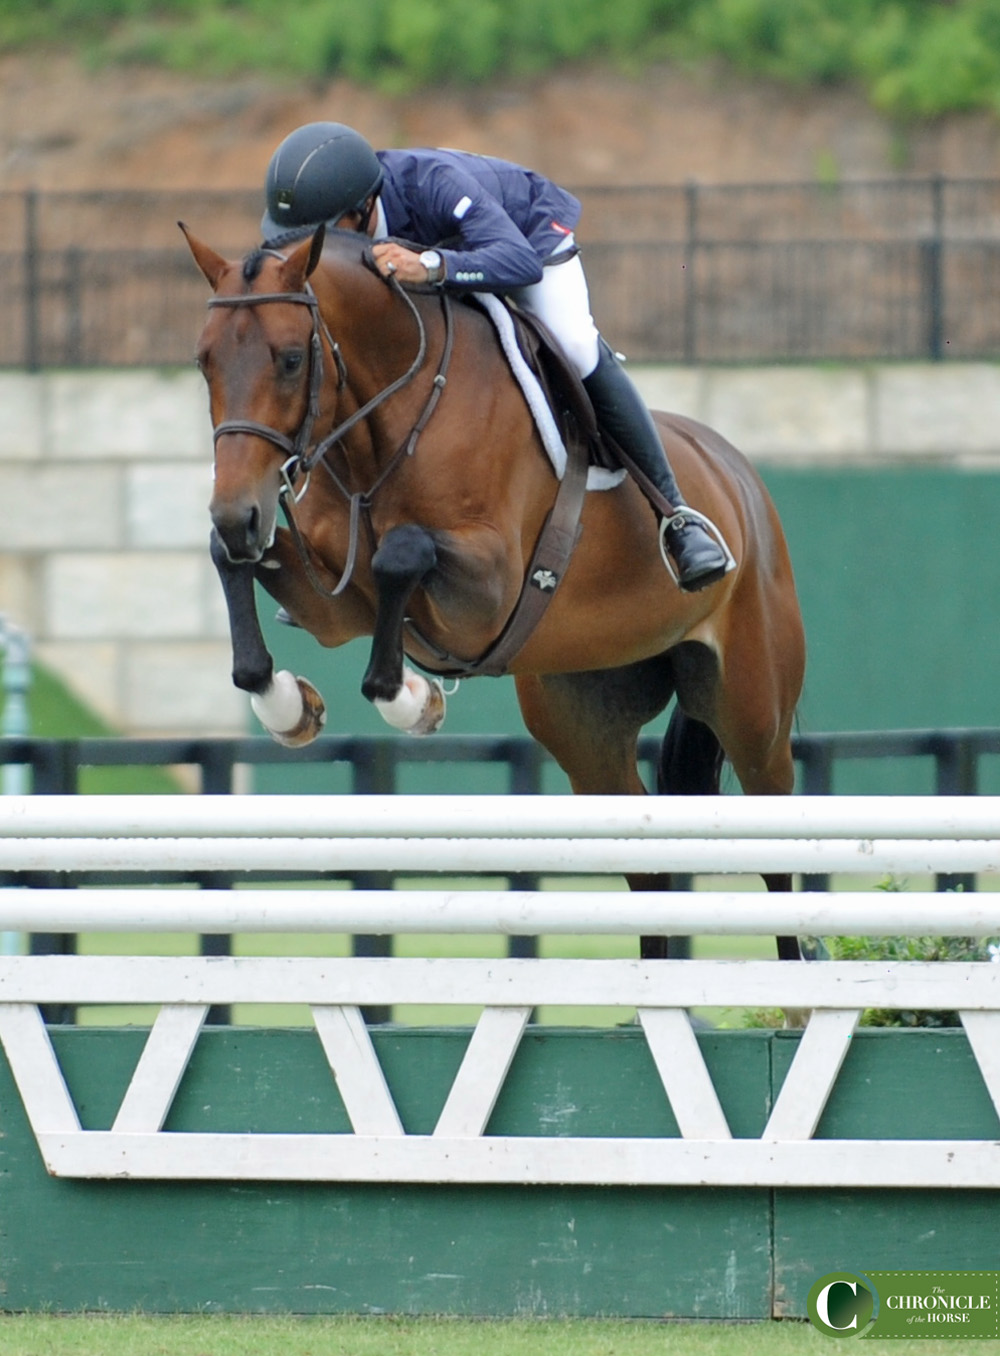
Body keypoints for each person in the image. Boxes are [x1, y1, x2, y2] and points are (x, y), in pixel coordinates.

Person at [260, 122, 730, 592]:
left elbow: (519, 261)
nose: (308, 251)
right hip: (450, 261)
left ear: (363, 210)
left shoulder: (432, 183)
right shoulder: (345, 221)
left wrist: (431, 266)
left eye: (319, 235)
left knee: (575, 345)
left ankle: (678, 519)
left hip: (528, 241)